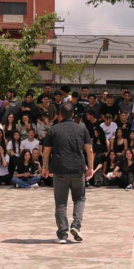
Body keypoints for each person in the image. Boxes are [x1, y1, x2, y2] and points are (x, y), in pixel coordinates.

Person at [41, 103, 94, 244]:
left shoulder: (54, 129)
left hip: (60, 170)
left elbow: (46, 151)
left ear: (60, 115)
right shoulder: (81, 129)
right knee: (79, 199)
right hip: (77, 170)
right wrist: (91, 168)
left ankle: (63, 234)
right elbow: (89, 150)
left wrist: (45, 167)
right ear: (73, 115)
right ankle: (76, 226)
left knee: (61, 203)